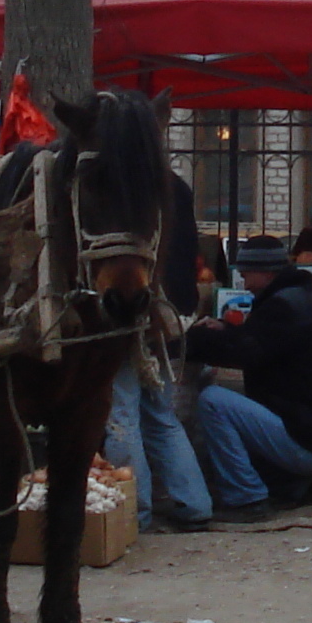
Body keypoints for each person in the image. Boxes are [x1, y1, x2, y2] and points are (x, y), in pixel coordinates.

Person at [184, 235, 312, 519]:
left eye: (247, 273)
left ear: (267, 272)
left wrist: (189, 341)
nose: (243, 280)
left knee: (213, 400)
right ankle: (296, 485)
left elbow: (246, 352)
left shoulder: (282, 307)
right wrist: (225, 329)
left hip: (307, 441)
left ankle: (245, 498)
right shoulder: (301, 295)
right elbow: (265, 341)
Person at [103, 174, 214, 534]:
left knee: (122, 414)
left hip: (134, 316)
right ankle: (195, 504)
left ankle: (134, 513)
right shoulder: (176, 185)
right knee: (161, 415)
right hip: (173, 318)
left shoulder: (124, 186)